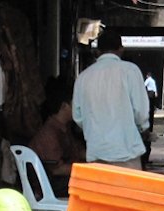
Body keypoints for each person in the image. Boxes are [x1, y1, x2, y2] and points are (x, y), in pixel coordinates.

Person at [72, 37, 152, 169]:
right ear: (121, 49)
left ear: (97, 51)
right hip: (127, 152)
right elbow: (141, 111)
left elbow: (78, 116)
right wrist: (143, 129)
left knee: (99, 190)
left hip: (97, 153)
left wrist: (94, 130)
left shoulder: (83, 77)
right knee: (128, 189)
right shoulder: (130, 71)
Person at [28, 75, 87, 185]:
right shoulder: (49, 133)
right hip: (53, 185)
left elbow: (78, 152)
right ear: (64, 106)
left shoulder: (64, 128)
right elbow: (57, 170)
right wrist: (88, 170)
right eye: (74, 103)